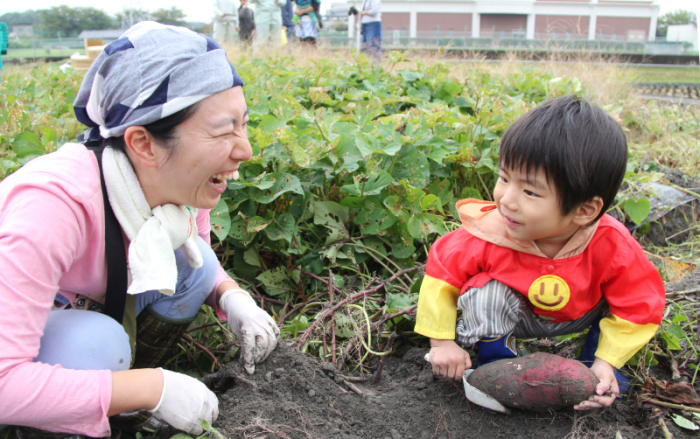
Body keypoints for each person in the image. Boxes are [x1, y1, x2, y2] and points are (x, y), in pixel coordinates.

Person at [0, 21, 279, 438]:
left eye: (243, 124)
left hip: (87, 305)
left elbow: (200, 258)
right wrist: (151, 388)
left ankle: (120, 399)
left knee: (198, 268)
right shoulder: (51, 207)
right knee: (95, 345)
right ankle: (69, 417)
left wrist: (233, 298)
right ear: (144, 143)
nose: (245, 149)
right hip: (28, 343)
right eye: (224, 131)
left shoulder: (177, 187)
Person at [415, 95, 665, 411]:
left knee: (620, 304)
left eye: (530, 191)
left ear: (585, 209)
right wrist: (442, 343)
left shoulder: (611, 244)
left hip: (582, 312)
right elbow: (441, 275)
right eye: (504, 178)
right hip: (519, 314)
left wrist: (607, 360)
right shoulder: (489, 232)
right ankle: (497, 363)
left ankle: (598, 371)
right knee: (484, 293)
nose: (506, 199)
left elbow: (640, 304)